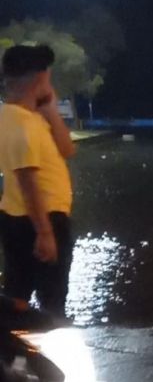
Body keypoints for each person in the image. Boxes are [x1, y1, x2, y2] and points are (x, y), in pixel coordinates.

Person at [0, 45, 76, 319]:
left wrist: (51, 111)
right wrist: (45, 233)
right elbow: (27, 180)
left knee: (16, 295)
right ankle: (46, 356)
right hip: (42, 220)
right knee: (52, 300)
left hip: (13, 218)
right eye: (48, 77)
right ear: (40, 79)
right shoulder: (25, 126)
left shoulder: (15, 116)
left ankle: (13, 355)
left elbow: (67, 150)